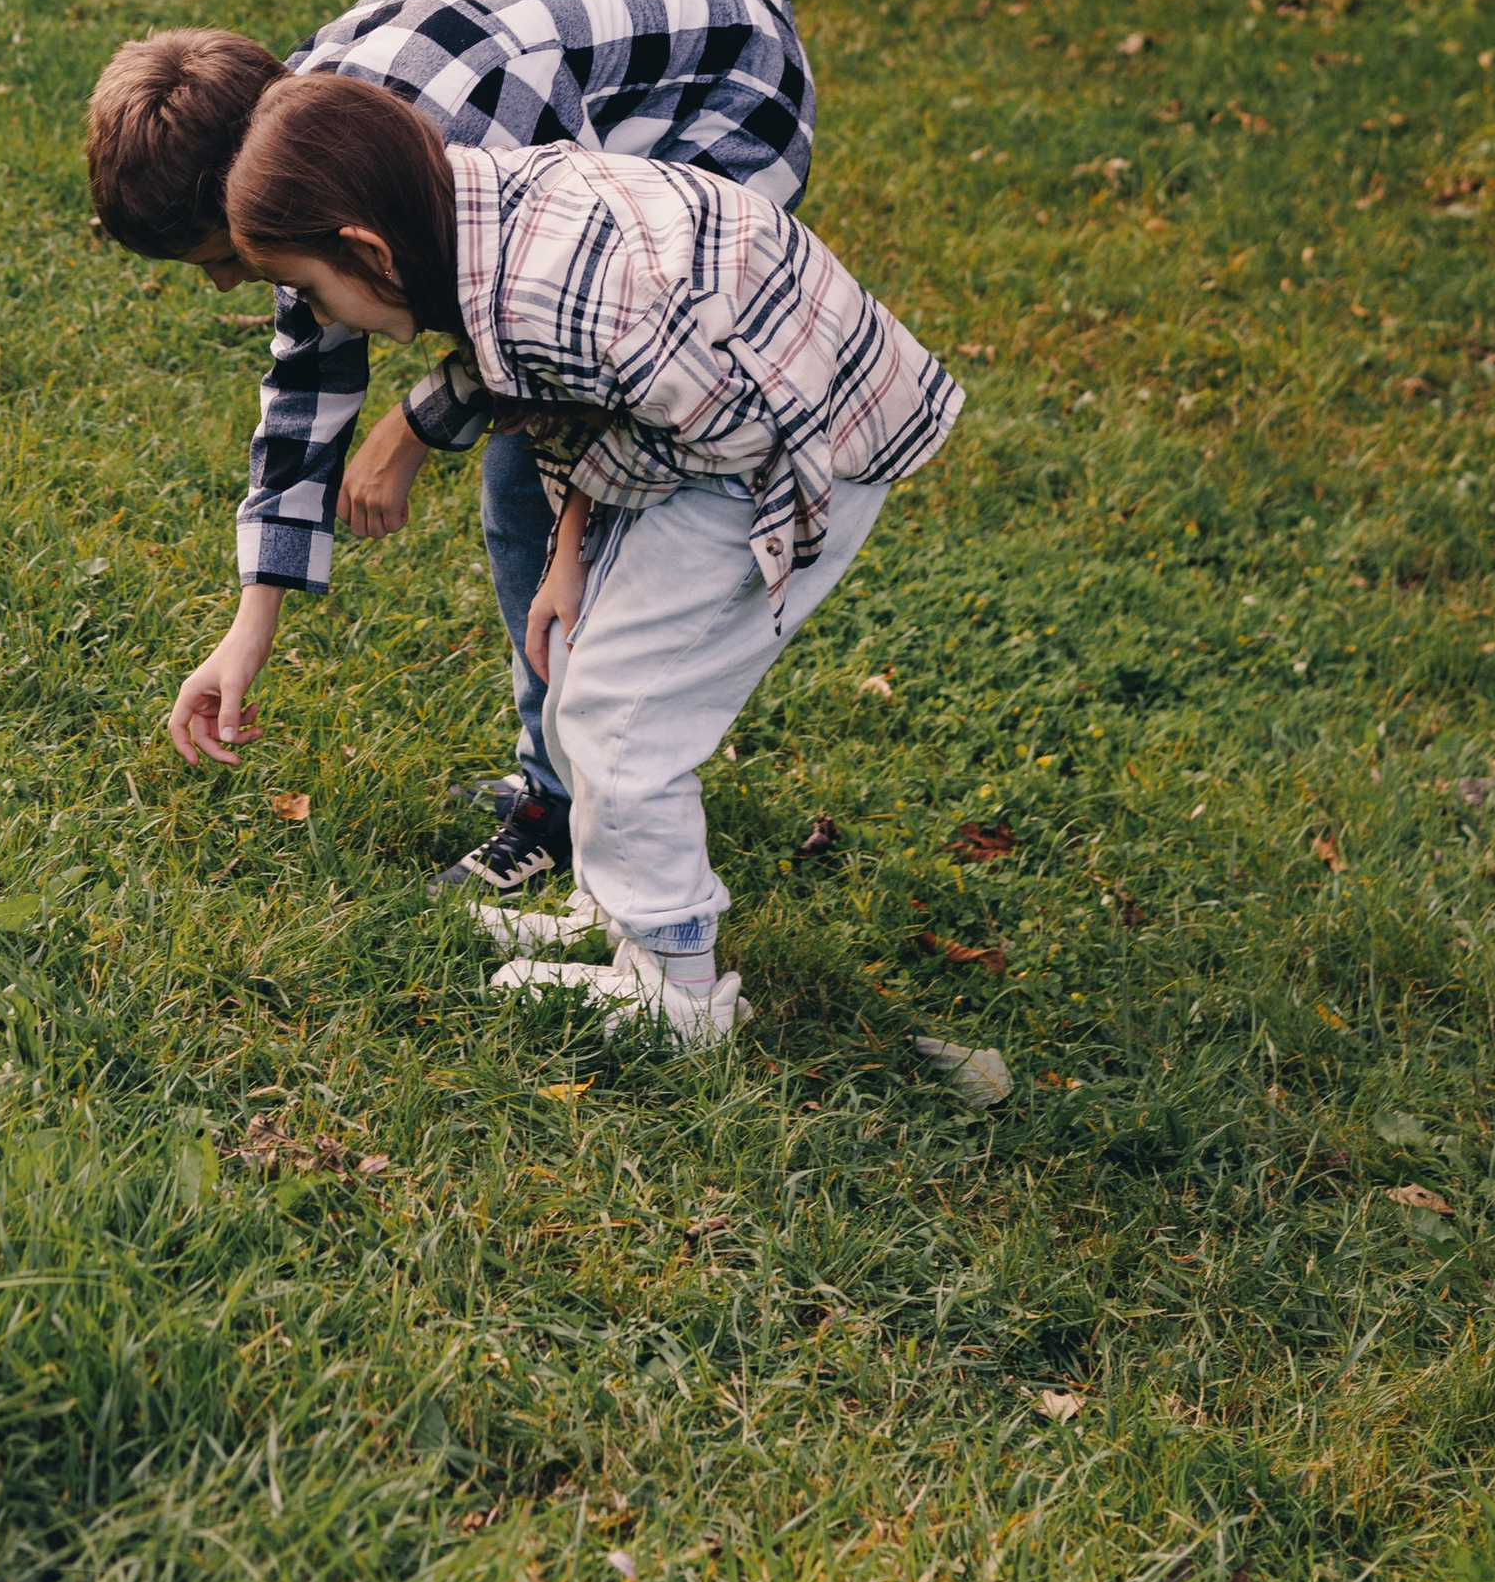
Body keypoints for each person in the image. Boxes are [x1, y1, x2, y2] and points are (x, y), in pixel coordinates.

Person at [216, 73, 963, 1050]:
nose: (320, 316)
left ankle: (679, 986)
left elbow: (737, 430)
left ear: (366, 249)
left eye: (314, 291)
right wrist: (570, 554)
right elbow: (569, 396)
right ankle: (614, 912)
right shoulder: (469, 212)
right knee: (575, 658)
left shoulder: (558, 302)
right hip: (712, 416)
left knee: (622, 706)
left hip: (798, 441)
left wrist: (589, 513)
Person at [86, 0, 815, 901]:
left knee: (552, 469)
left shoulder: (447, 138)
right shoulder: (298, 138)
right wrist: (249, 625)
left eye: (224, 259)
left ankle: (574, 802)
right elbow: (306, 374)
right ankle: (563, 774)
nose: (227, 288)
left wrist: (417, 422)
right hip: (600, 55)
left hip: (725, 83)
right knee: (530, 469)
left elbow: (571, 324)